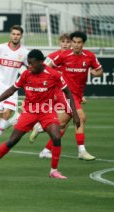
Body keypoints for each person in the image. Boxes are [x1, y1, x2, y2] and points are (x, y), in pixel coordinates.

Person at [0, 49, 80, 179]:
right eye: (28, 63)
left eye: (32, 64)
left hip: (47, 111)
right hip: (29, 111)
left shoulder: (53, 74)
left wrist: (74, 114)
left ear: (41, 62)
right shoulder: (26, 74)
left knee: (56, 137)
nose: (29, 66)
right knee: (12, 141)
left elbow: (68, 93)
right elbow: (12, 89)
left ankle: (53, 171)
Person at [36, 31, 103, 160]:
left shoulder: (89, 56)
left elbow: (100, 70)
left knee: (62, 125)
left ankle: (44, 145)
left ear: (83, 44)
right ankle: (81, 150)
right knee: (81, 117)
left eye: (79, 43)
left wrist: (96, 73)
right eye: (74, 42)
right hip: (65, 93)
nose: (76, 45)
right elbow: (47, 67)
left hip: (77, 95)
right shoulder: (64, 56)